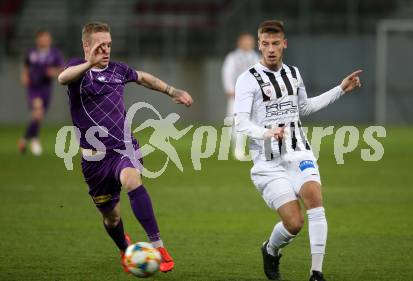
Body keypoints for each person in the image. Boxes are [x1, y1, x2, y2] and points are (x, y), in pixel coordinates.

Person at [57, 22, 193, 274]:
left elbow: (144, 78)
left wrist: (172, 90)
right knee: (112, 217)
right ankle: (124, 247)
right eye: (100, 45)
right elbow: (62, 78)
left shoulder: (117, 70)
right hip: (94, 162)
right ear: (87, 46)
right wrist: (89, 62)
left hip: (123, 148)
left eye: (108, 44)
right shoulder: (78, 70)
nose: (106, 50)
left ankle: (158, 246)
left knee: (132, 179)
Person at [234, 20, 362, 281]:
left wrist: (340, 89)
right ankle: (270, 249)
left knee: (315, 198)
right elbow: (241, 122)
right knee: (294, 223)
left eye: (276, 44)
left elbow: (304, 108)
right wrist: (265, 132)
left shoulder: (293, 73)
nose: (271, 49)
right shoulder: (247, 80)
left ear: (284, 44)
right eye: (266, 44)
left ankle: (316, 273)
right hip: (268, 164)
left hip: (299, 153)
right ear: (259, 45)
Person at [18, 30, 63, 155]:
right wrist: (24, 76)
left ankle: (28, 139)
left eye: (47, 38)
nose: (45, 40)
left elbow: (62, 69)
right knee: (38, 113)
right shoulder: (32, 52)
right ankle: (31, 140)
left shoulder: (54, 53)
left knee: (39, 116)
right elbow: (26, 65)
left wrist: (53, 72)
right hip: (34, 87)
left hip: (46, 88)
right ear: (38, 39)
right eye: (43, 38)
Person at [222, 33, 259, 160]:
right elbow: (227, 73)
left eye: (250, 41)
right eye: (245, 41)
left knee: (253, 123)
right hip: (237, 95)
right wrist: (230, 89)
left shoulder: (256, 57)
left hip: (252, 96)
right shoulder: (233, 57)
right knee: (236, 122)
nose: (248, 44)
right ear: (240, 43)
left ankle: (253, 150)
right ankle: (237, 149)